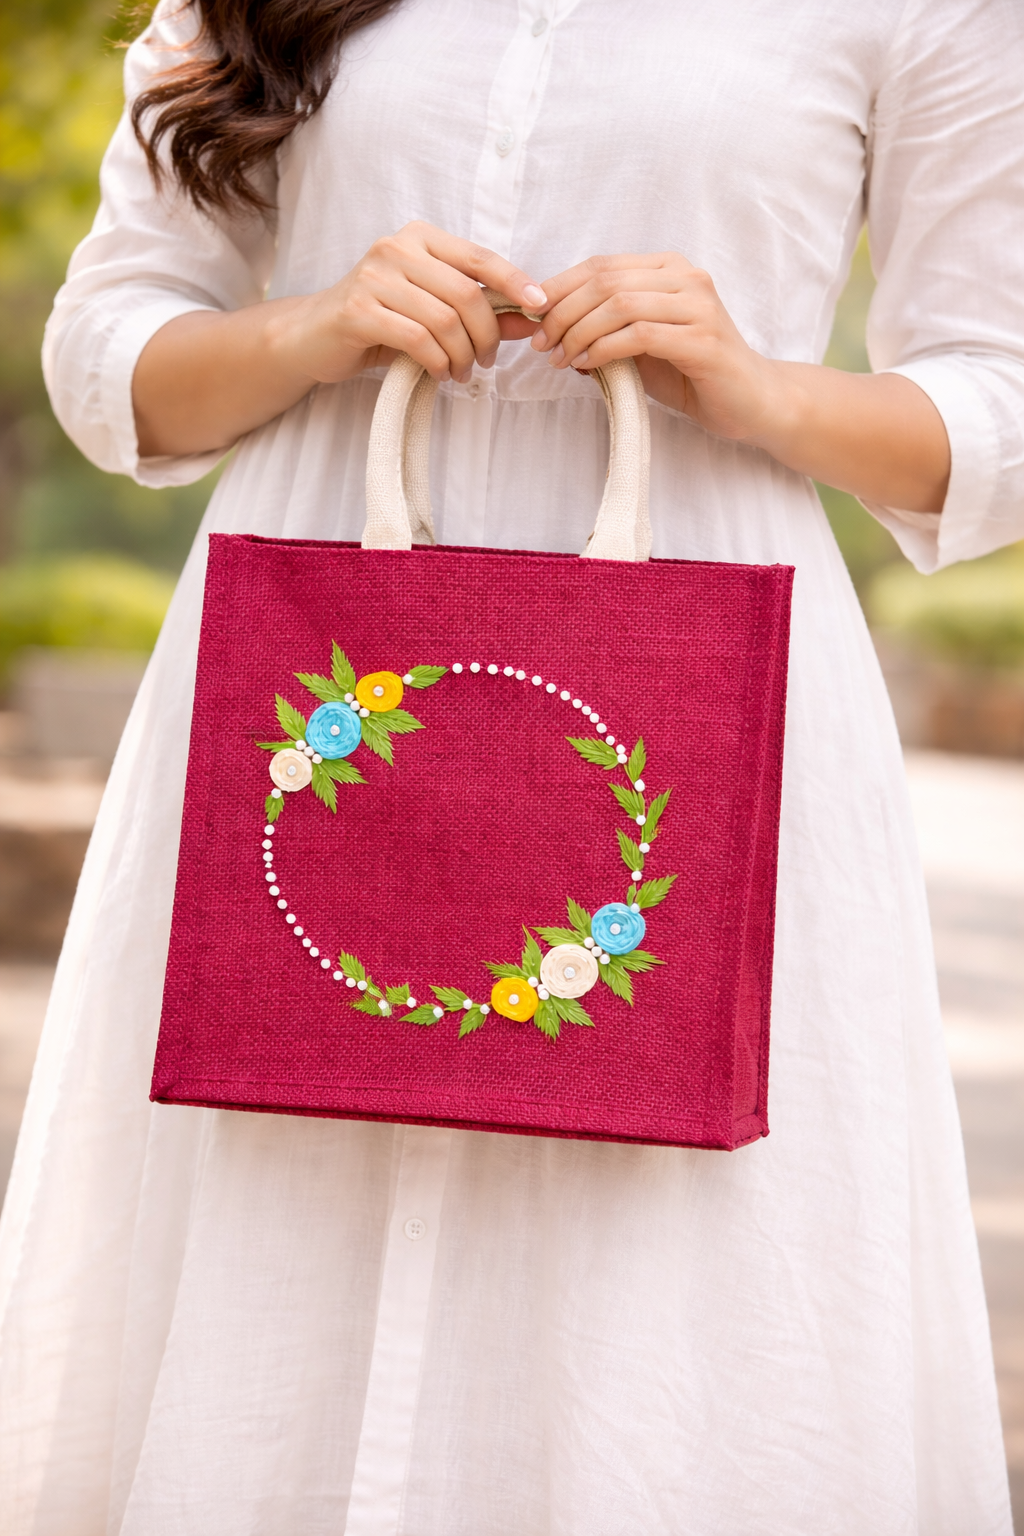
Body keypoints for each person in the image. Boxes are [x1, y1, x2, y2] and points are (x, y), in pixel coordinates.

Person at [1, 0, 1021, 1530]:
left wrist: (755, 384)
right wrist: (317, 325)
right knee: (286, 1151)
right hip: (310, 680)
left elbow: (999, 406)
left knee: (663, 1261)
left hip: (705, 696)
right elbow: (106, 356)